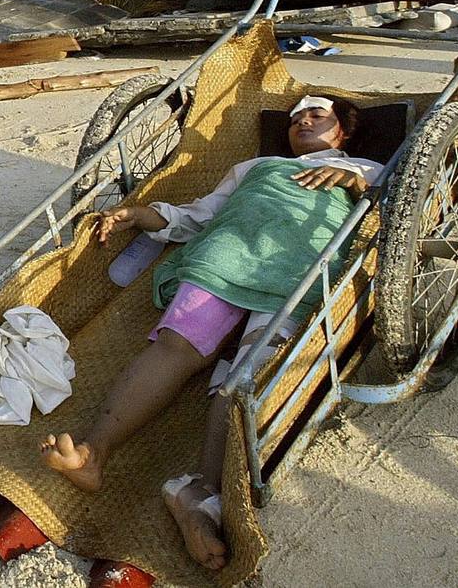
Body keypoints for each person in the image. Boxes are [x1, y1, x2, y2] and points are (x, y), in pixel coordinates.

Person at [39, 96, 382, 571]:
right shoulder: (257, 165)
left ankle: (201, 495)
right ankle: (95, 452)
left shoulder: (373, 168)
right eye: (296, 115)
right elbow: (198, 215)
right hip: (225, 256)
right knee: (173, 348)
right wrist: (141, 215)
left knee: (247, 374)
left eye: (317, 114)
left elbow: (406, 210)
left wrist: (360, 182)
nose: (302, 119)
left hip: (297, 269)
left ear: (343, 131)